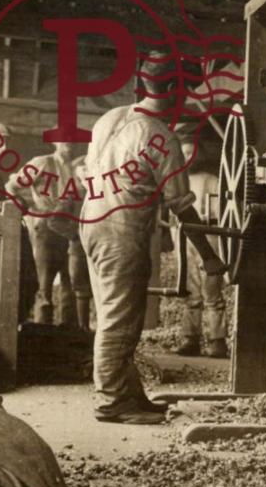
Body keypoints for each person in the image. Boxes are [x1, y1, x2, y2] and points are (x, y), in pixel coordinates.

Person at [79, 56, 227, 425]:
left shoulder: (108, 119)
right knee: (119, 321)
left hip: (92, 222)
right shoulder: (162, 137)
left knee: (114, 313)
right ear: (175, 91)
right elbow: (183, 208)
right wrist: (209, 257)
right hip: (121, 231)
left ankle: (129, 394)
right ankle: (111, 402)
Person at [5, 141, 90, 327]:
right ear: (55, 141)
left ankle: (69, 332)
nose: (68, 143)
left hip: (70, 228)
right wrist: (25, 206)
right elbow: (12, 186)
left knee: (71, 282)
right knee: (44, 283)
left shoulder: (78, 167)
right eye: (64, 139)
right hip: (45, 228)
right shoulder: (41, 162)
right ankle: (41, 332)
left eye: (72, 138)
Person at [168, 141, 228, 359]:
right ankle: (190, 339)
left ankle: (217, 341)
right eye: (182, 153)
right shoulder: (176, 182)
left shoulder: (211, 181)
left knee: (212, 289)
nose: (186, 158)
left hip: (208, 235)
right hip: (182, 238)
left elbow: (223, 211)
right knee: (189, 289)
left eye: (190, 152)